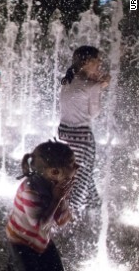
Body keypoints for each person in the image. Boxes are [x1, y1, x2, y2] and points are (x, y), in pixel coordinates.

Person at [6, 140, 78, 271]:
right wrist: (57, 199)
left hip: (41, 240)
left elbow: (61, 221)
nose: (77, 166)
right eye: (72, 164)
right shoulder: (30, 189)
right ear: (54, 172)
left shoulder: (53, 185)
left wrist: (62, 198)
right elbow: (39, 225)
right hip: (21, 242)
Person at [58, 45, 110, 214]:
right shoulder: (92, 86)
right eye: (97, 59)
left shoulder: (67, 81)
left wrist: (96, 84)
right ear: (87, 62)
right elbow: (94, 114)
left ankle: (94, 206)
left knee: (74, 174)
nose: (100, 63)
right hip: (82, 138)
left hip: (64, 135)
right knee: (80, 177)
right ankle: (72, 213)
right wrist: (99, 88)